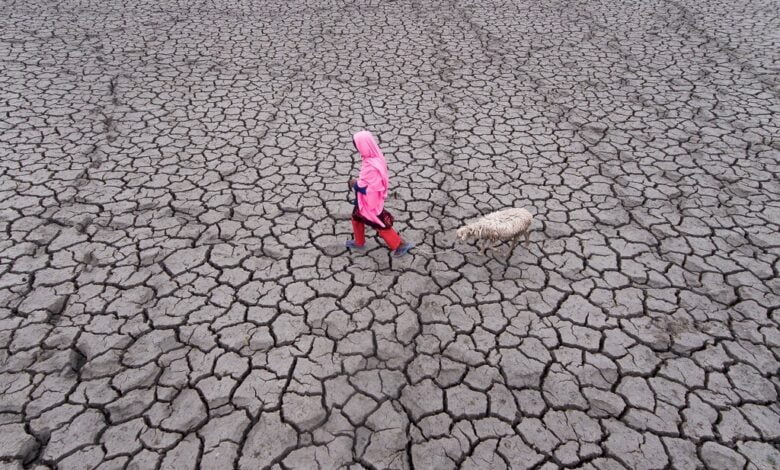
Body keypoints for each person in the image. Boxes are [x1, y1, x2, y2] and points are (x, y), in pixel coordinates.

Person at [345, 130, 413, 257]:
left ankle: (401, 245)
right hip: (363, 201)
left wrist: (354, 184)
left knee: (380, 224)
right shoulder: (374, 158)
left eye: (357, 145)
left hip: (371, 203)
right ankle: (359, 241)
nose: (356, 148)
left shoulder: (372, 165)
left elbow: (368, 188)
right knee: (356, 218)